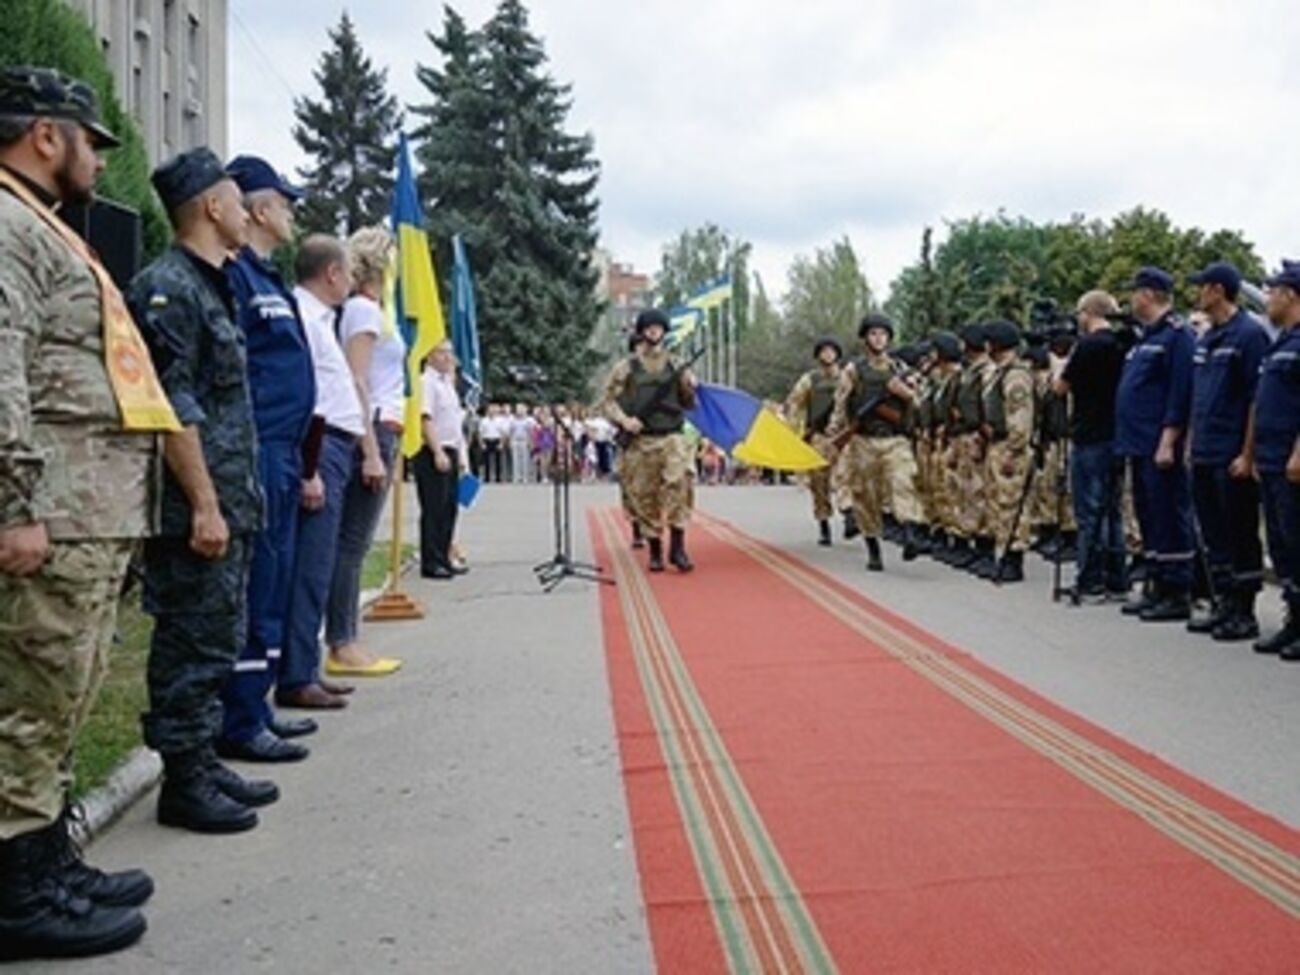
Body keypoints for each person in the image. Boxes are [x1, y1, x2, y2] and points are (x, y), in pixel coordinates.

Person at [0, 65, 168, 958]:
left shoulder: (43, 224)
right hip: (49, 512)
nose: (100, 162)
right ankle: (18, 895)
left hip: (87, 511)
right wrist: (13, 504)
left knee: (61, 699)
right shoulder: (7, 224)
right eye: (89, 143)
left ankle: (48, 860)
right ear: (45, 135)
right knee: (28, 708)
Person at [129, 148, 278, 832]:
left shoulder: (213, 284)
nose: (247, 214)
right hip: (196, 506)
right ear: (212, 207)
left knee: (217, 638)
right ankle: (183, 780)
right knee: (189, 644)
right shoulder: (168, 288)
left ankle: (203, 758)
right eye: (238, 203)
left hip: (229, 497)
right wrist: (205, 504)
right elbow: (172, 405)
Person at [213, 155, 320, 764]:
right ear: (257, 209)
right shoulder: (236, 278)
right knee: (254, 584)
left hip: (283, 452)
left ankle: (258, 703)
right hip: (255, 449)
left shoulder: (267, 277)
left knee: (273, 581)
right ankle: (240, 717)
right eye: (284, 202)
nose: (291, 213)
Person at [278, 235, 362, 710]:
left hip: (332, 446)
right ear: (332, 273)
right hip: (320, 446)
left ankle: (304, 666)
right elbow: (304, 396)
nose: (351, 280)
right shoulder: (304, 319)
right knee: (310, 567)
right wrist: (309, 469)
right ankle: (296, 674)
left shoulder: (320, 318)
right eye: (348, 271)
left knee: (319, 563)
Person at [324, 226, 405, 678]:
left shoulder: (373, 310)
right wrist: (370, 450)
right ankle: (342, 640)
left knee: (354, 540)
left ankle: (345, 636)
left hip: (381, 425)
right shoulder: (362, 311)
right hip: (369, 429)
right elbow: (356, 380)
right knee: (352, 542)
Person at [1184, 261, 1269, 641]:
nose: (1198, 293)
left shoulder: (1248, 335)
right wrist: (1191, 443)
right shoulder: (1207, 338)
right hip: (1205, 450)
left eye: (1202, 286)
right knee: (1213, 533)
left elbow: (1255, 399)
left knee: (1239, 531)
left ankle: (1243, 610)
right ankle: (1223, 601)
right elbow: (1198, 396)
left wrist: (1247, 454)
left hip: (1231, 451)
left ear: (1217, 290)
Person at [1114, 267, 1196, 622]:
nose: (1131, 299)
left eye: (1135, 292)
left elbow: (1180, 392)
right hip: (1137, 442)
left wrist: (1168, 439)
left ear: (1148, 294)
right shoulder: (1146, 337)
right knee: (1147, 514)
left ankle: (1177, 589)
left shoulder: (1178, 336)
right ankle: (1156, 581)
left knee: (1168, 515)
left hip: (1159, 443)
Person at [602, 309, 699, 572]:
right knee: (645, 496)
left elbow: (689, 404)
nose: (654, 331)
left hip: (673, 437)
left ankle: (678, 548)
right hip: (642, 441)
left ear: (664, 332)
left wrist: (690, 387)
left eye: (659, 327)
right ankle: (655, 549)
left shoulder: (676, 364)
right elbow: (608, 402)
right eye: (649, 327)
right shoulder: (627, 367)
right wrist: (624, 421)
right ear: (642, 332)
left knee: (680, 487)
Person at [831, 313, 922, 571]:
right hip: (864, 441)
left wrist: (906, 394)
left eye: (883, 334)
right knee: (865, 496)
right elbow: (841, 404)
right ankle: (873, 547)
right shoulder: (854, 371)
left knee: (903, 482)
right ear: (865, 338)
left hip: (895, 440)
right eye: (873, 334)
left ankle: (910, 534)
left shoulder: (900, 369)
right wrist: (835, 435)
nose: (879, 338)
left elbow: (922, 403)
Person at [1057, 291, 1128, 602]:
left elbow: (1060, 387)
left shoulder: (1087, 346)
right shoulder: (1122, 343)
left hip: (1089, 434)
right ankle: (1117, 577)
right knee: (1113, 511)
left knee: (1088, 512)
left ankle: (1090, 578)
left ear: (1088, 312)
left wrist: (1059, 365)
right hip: (1117, 433)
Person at [1248, 260, 1300, 661]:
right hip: (1270, 458)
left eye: (1273, 292)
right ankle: (1293, 618)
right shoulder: (1280, 343)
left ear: (1291, 296)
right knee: (1281, 544)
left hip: (1290, 458)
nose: (1268, 299)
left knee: (1297, 541)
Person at [978, 321, 1036, 583]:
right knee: (996, 503)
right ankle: (1000, 553)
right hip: (996, 444)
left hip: (1010, 447)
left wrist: (1014, 450)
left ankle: (1014, 558)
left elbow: (1019, 416)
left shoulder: (1016, 376)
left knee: (1011, 503)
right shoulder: (999, 373)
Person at [414, 340, 468, 579]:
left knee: (448, 509)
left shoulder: (447, 383)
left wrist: (461, 455)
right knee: (434, 508)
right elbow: (425, 419)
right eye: (442, 352)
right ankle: (431, 561)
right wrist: (437, 451)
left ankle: (444, 556)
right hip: (433, 450)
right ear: (429, 356)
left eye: (450, 353)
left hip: (451, 449)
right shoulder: (426, 382)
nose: (448, 357)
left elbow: (454, 423)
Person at [785, 336, 845, 546]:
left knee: (849, 478)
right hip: (820, 436)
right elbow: (795, 402)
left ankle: (852, 515)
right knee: (819, 482)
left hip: (846, 435)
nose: (828, 355)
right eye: (824, 351)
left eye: (831, 351)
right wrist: (795, 429)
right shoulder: (810, 379)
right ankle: (824, 523)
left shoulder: (847, 377)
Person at [948, 324, 996, 571]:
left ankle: (986, 546)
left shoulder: (987, 371)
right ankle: (971, 542)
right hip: (965, 436)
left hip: (979, 437)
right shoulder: (969, 372)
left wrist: (982, 438)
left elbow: (988, 408)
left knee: (981, 493)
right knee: (966, 493)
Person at [480, 403, 507, 483]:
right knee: (486, 461)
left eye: (493, 410)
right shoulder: (484, 420)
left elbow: (503, 433)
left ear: (495, 411)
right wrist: (482, 443)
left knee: (498, 460)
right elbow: (480, 433)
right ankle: (487, 477)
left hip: (497, 440)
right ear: (487, 411)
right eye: (490, 410)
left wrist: (501, 443)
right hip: (487, 440)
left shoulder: (500, 420)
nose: (491, 412)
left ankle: (498, 477)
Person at [508, 402, 535, 484]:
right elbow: (511, 431)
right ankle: (516, 477)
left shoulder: (529, 420)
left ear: (525, 410)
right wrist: (510, 441)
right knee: (515, 460)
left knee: (525, 460)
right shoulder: (513, 420)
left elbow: (531, 432)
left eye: (521, 409)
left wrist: (531, 442)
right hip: (515, 440)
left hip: (525, 440)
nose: (519, 411)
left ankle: (525, 477)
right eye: (518, 409)